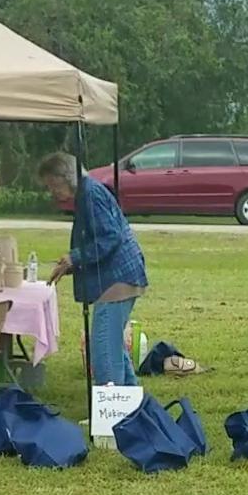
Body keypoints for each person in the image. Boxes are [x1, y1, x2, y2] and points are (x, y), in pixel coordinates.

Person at [38, 152, 148, 386]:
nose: (52, 192)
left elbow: (110, 236)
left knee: (104, 355)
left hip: (117, 279)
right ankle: (132, 411)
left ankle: (109, 418)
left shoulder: (90, 194)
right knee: (113, 349)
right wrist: (71, 264)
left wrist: (75, 257)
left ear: (65, 177)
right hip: (117, 277)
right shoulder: (86, 193)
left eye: (52, 184)